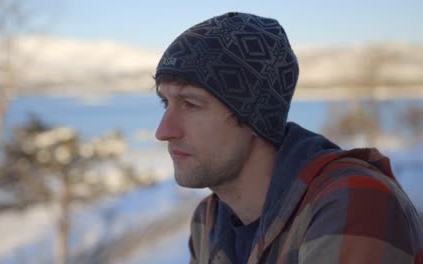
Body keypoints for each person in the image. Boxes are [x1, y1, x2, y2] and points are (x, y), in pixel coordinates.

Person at [154, 12, 423, 264]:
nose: (163, 131)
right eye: (165, 102)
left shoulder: (352, 204)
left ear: (253, 115)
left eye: (190, 103)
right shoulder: (209, 221)